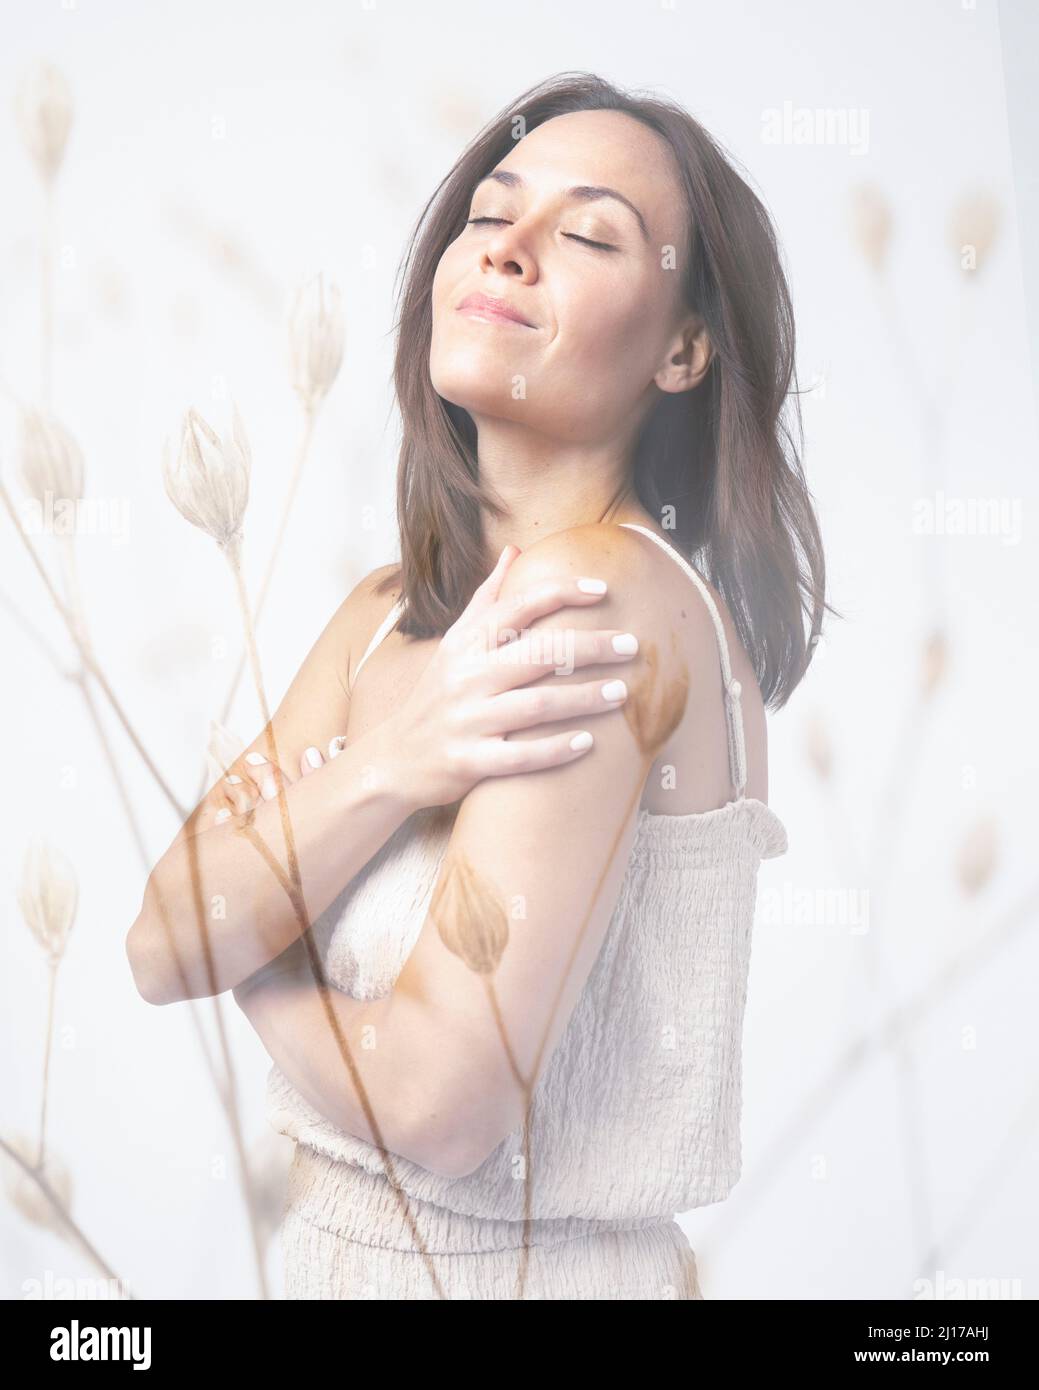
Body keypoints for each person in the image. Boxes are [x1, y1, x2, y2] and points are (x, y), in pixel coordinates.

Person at [126, 71, 827, 1300]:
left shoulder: (598, 606)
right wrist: (395, 761)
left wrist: (265, 958)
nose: (506, 250)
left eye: (590, 232)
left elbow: (442, 1105)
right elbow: (155, 937)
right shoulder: (386, 615)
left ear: (683, 349)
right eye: (490, 212)